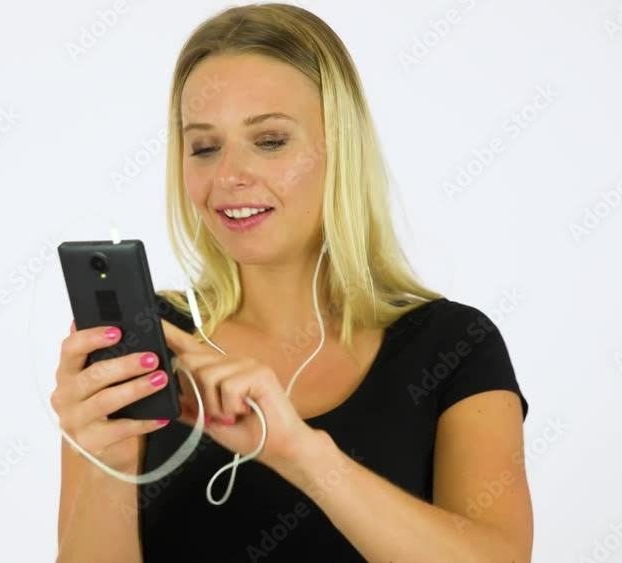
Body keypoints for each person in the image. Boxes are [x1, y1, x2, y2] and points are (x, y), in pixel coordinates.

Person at [51, 4, 532, 562]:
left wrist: (301, 455)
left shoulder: (453, 345)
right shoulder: (144, 344)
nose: (228, 175)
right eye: (204, 147)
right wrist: (108, 460)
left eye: (271, 140)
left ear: (339, 149)